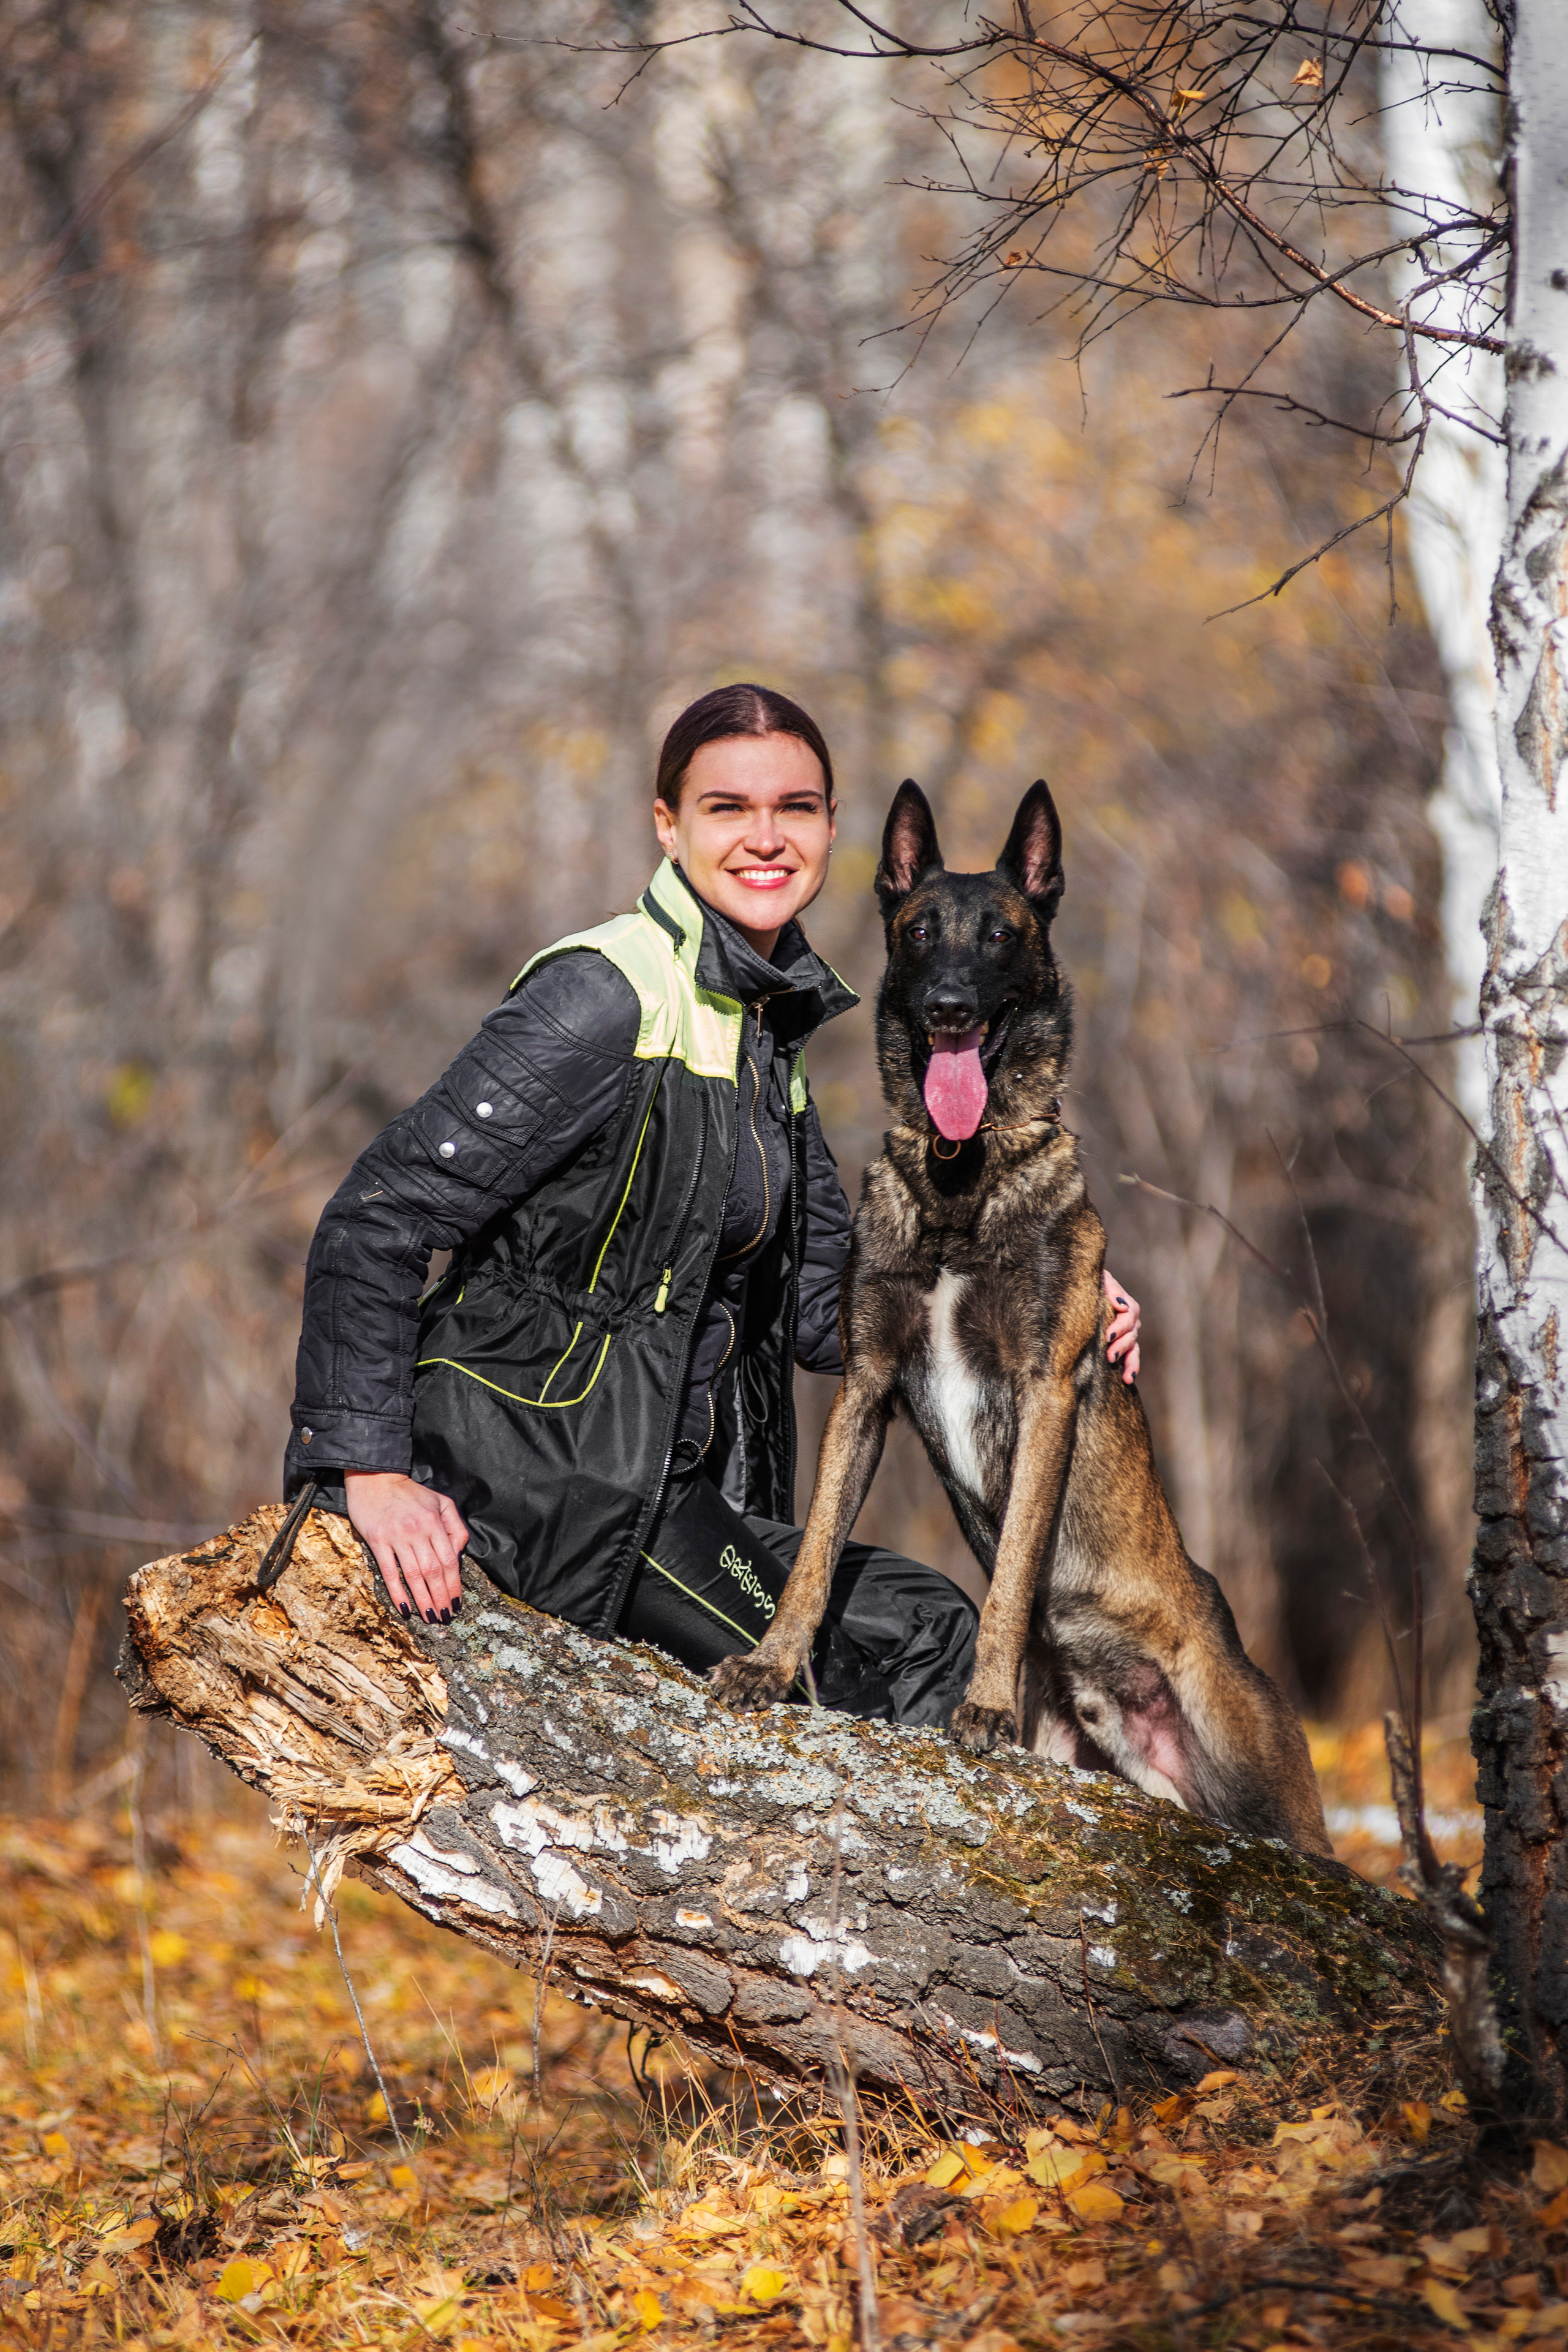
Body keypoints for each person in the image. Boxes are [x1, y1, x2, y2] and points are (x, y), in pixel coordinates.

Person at [284, 684, 1142, 1725]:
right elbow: (377, 1216)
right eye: (728, 808)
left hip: (655, 1481)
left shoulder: (758, 1025)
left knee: (929, 1620)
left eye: (796, 808)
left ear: (832, 830)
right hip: (552, 1478)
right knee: (885, 1678)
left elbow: (834, 1311)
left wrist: (1053, 1290)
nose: (766, 838)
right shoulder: (606, 997)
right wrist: (369, 1469)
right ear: (668, 825)